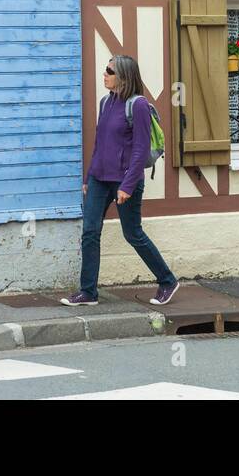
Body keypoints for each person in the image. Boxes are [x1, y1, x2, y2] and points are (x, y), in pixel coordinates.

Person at [61, 54, 180, 307]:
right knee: (90, 232)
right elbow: (100, 144)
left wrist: (127, 185)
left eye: (109, 71)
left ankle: (167, 280)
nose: (104, 74)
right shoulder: (106, 103)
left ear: (124, 77)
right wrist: (88, 176)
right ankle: (88, 292)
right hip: (99, 179)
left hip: (125, 180)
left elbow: (139, 149)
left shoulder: (137, 105)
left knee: (133, 234)